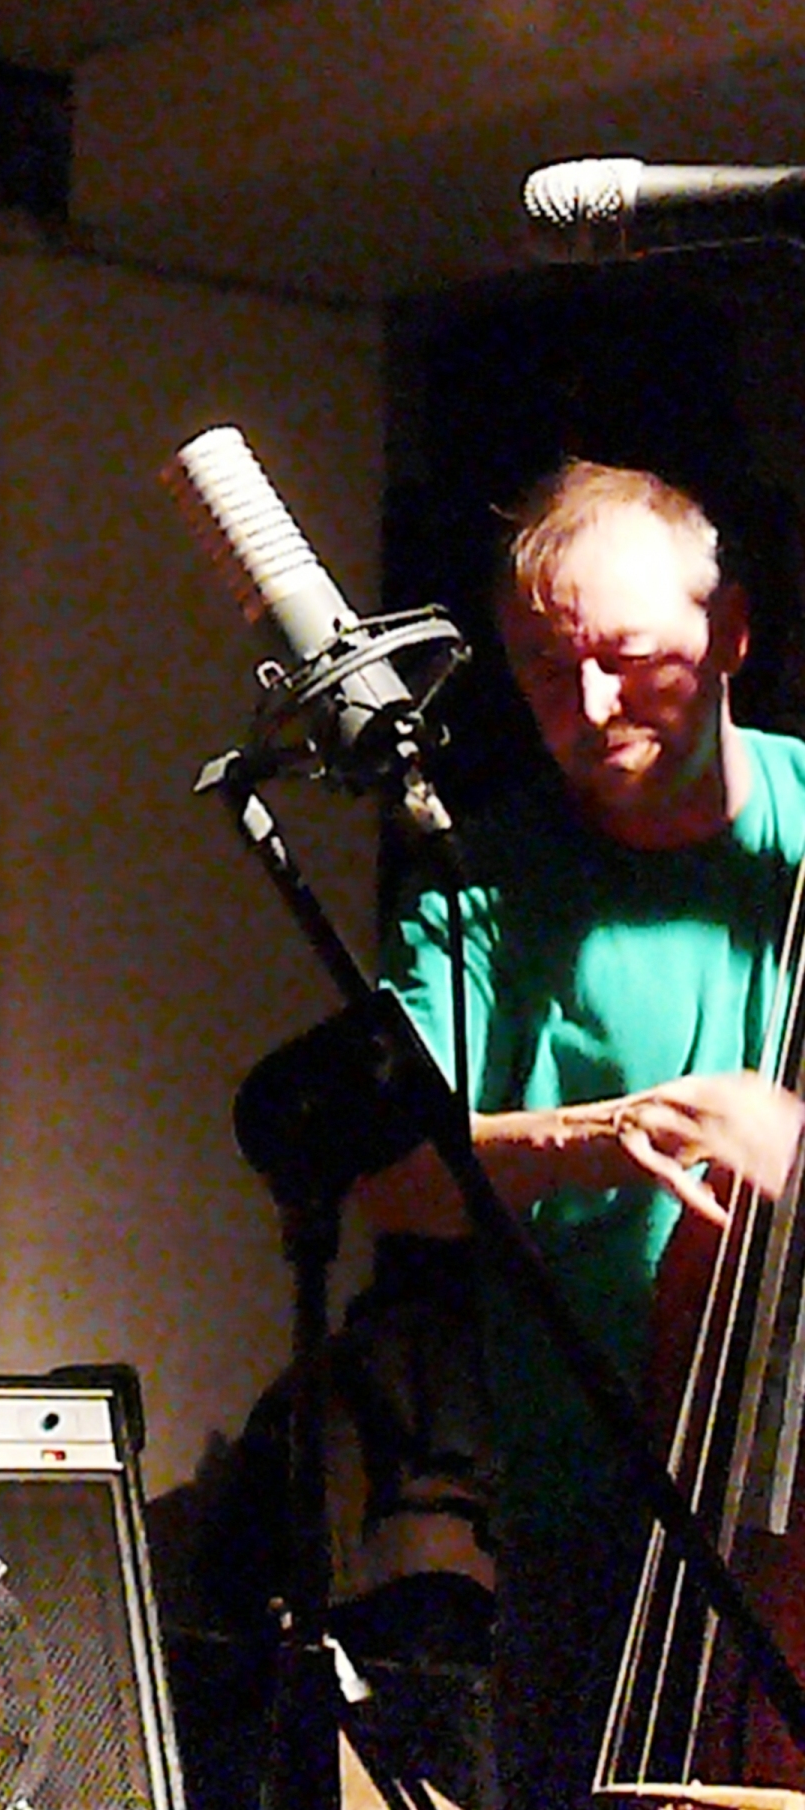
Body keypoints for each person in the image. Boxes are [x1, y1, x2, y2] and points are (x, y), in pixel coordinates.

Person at [359, 458, 805, 1808]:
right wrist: (612, 1133)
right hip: (585, 1512)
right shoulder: (478, 888)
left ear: (728, 631)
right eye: (550, 673)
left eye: (624, 657)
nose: (591, 705)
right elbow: (395, 1178)